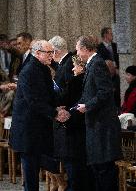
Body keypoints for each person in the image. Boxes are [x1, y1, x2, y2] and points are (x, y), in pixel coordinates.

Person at [9, 40, 70, 191]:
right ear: (37, 53)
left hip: (38, 129)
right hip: (28, 130)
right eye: (48, 53)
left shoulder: (42, 68)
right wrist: (55, 113)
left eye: (53, 52)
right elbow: (34, 101)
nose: (52, 55)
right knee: (31, 175)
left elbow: (49, 95)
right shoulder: (29, 70)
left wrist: (60, 105)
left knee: (42, 165)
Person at [75, 35, 122, 191]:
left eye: (77, 49)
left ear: (84, 49)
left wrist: (87, 106)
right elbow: (90, 93)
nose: (77, 53)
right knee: (97, 168)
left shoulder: (97, 64)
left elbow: (105, 92)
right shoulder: (92, 63)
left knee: (104, 169)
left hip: (102, 127)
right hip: (96, 125)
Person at [53, 55, 88, 191]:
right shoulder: (85, 81)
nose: (73, 69)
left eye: (75, 66)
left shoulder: (75, 81)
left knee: (74, 170)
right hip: (82, 129)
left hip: (73, 129)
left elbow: (62, 99)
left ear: (82, 67)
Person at [97, 27, 121, 112]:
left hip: (117, 72)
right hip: (107, 74)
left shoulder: (115, 46)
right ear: (105, 35)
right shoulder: (99, 48)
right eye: (111, 33)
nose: (112, 35)